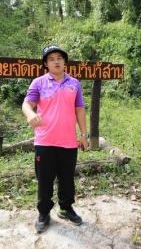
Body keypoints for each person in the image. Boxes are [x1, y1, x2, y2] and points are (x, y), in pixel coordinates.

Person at [22, 45, 88, 233]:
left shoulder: (74, 83)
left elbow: (80, 109)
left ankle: (66, 209)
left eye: (59, 58)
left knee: (67, 179)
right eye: (51, 59)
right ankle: (43, 213)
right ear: (46, 64)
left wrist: (83, 135)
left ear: (65, 62)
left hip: (68, 141)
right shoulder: (39, 83)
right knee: (44, 179)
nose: (56, 61)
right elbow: (27, 104)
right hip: (45, 141)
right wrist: (29, 114)